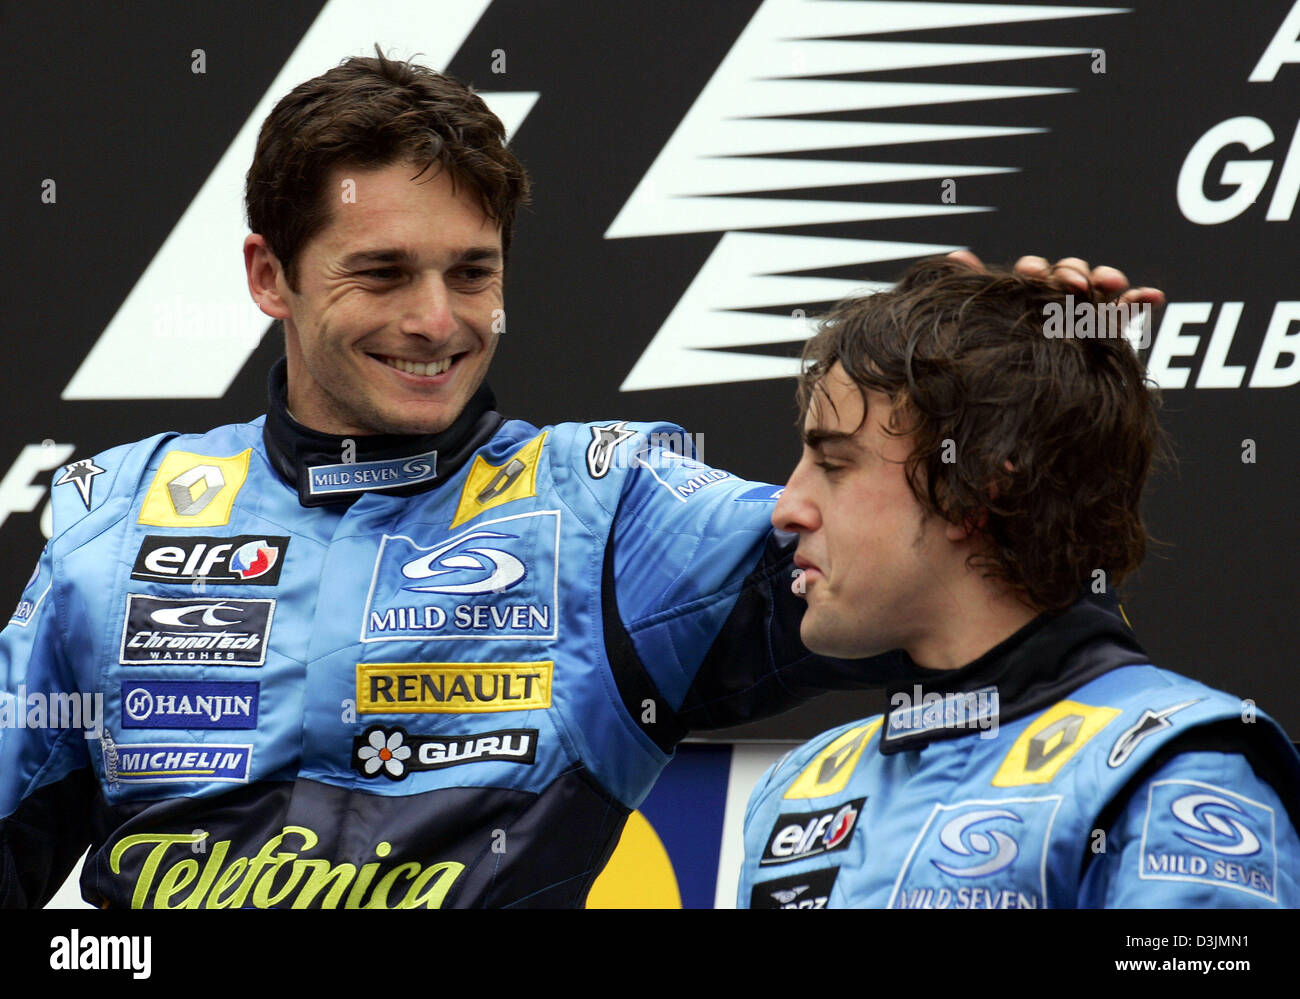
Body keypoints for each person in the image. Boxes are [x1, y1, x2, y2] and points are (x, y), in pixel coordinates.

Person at [0, 50, 1147, 910]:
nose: (436, 321)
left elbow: (984, 606)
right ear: (270, 275)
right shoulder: (118, 523)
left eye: (472, 272)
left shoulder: (613, 512)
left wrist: (1035, 405)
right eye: (383, 273)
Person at [738, 257, 1300, 908]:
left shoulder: (1178, 772)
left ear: (971, 485)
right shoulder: (800, 786)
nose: (786, 507)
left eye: (834, 464)